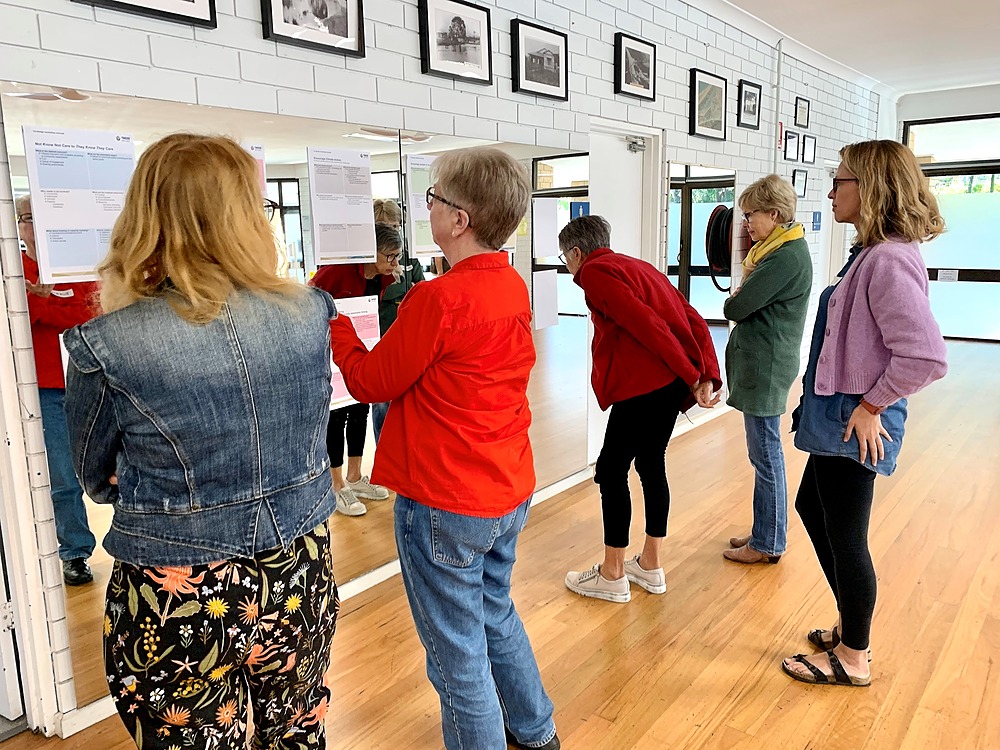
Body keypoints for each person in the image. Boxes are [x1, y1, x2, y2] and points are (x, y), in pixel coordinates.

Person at [62, 134, 340, 748]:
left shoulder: (108, 341)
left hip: (176, 583)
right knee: (295, 731)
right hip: (296, 567)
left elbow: (91, 471)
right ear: (246, 216)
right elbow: (309, 427)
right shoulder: (307, 313)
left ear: (144, 215)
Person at [328, 147, 559, 750]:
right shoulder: (511, 284)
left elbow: (371, 382)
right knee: (495, 613)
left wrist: (337, 326)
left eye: (432, 200)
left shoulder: (436, 299)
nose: (425, 209)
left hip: (446, 500)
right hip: (506, 486)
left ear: (460, 220)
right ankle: (537, 733)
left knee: (457, 660)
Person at [782, 140, 947, 688]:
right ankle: (853, 623)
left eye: (839, 181)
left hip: (854, 418)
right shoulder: (871, 253)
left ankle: (854, 655)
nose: (830, 191)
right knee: (812, 507)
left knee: (847, 536)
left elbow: (925, 355)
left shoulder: (888, 258)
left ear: (871, 187)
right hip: (836, 411)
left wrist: (873, 404)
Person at [562, 215, 722, 603]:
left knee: (610, 471)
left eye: (565, 257)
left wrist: (691, 374)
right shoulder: (640, 267)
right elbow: (692, 318)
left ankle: (612, 573)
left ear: (578, 252)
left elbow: (646, 325)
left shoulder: (597, 272)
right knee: (651, 464)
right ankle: (650, 565)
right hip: (667, 385)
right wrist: (705, 375)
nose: (567, 266)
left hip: (647, 386)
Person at [722, 175, 812, 565]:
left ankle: (769, 541)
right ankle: (765, 531)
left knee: (766, 456)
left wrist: (737, 297)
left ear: (774, 214)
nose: (747, 224)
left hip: (768, 365)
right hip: (768, 363)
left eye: (751, 215)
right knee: (764, 454)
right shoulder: (777, 251)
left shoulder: (783, 258)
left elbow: (735, 309)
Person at [16, 194, 99, 586]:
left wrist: (43, 303)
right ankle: (75, 552)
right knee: (63, 477)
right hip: (48, 387)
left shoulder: (74, 266)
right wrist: (41, 303)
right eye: (26, 219)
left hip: (91, 382)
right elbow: (21, 317)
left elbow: (91, 311)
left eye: (38, 217)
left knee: (111, 467)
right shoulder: (17, 269)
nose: (33, 225)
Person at [309, 223, 399, 516]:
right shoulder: (339, 270)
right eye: (390, 256)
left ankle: (355, 477)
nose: (395, 263)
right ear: (371, 252)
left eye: (398, 256)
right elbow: (311, 295)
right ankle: (336, 487)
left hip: (362, 347)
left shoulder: (383, 278)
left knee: (361, 407)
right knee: (337, 416)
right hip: (333, 350)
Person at [371, 199, 424, 443]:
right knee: (382, 403)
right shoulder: (368, 263)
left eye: (397, 226)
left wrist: (407, 289)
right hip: (379, 337)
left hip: (407, 338)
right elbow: (375, 298)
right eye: (386, 227)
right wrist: (401, 288)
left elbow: (421, 291)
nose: (393, 232)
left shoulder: (409, 257)